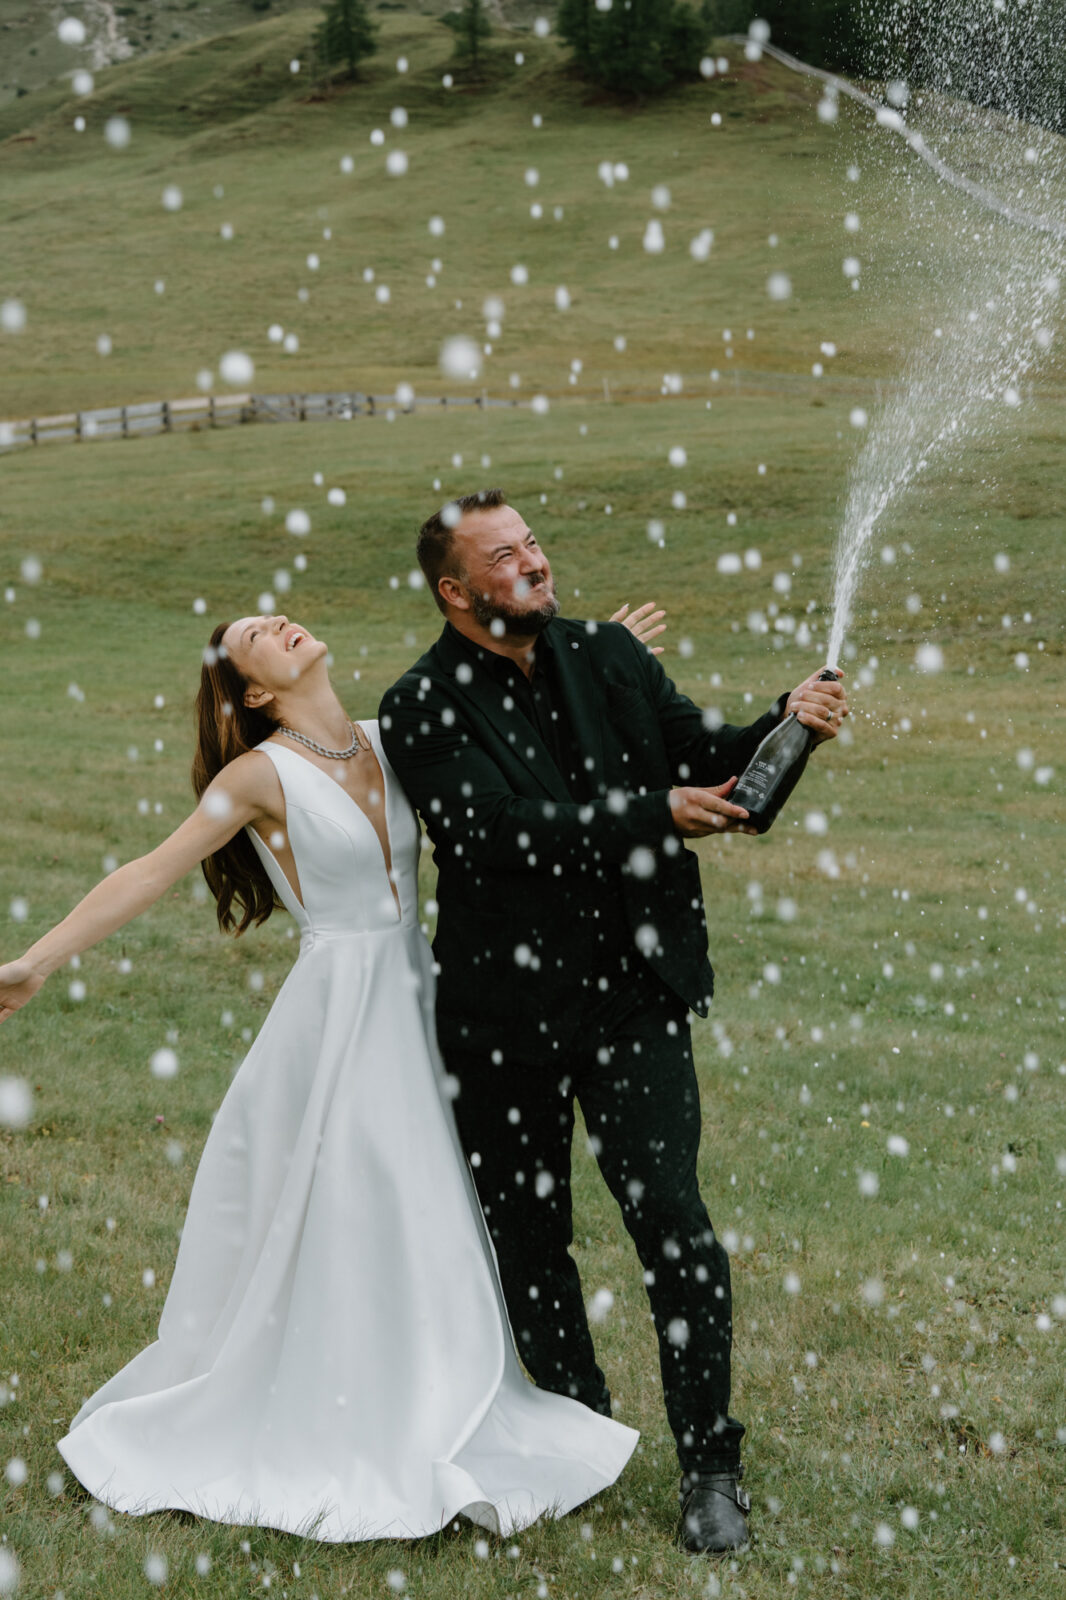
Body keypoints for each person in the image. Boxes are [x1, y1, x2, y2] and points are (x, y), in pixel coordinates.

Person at [0, 605, 668, 1540]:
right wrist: (37, 959)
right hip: (341, 1016)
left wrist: (599, 661)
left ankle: (440, 1393)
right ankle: (361, 1419)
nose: (279, 621)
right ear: (259, 692)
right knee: (369, 1201)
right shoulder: (259, 775)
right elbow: (150, 870)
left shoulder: (396, 739)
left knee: (436, 1203)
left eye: (274, 617)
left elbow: (523, 727)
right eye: (254, 637)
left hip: (420, 998)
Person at [380, 489, 850, 1554]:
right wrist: (651, 812)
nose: (533, 563)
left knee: (673, 1225)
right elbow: (494, 834)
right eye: (505, 556)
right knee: (531, 1238)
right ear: (455, 591)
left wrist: (788, 725)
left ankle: (710, 1467)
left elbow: (713, 772)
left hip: (634, 997)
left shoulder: (607, 657)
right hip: (503, 1017)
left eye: (534, 544)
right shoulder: (420, 705)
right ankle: (579, 1437)